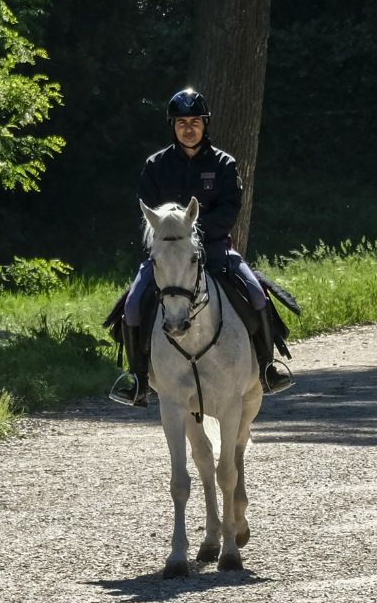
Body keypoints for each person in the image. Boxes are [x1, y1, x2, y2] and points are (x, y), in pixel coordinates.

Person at [109, 88, 292, 407]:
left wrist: (193, 236)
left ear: (205, 124)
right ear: (173, 126)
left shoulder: (224, 164)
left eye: (195, 121)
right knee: (133, 305)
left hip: (216, 250)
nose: (188, 128)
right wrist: (174, 242)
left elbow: (230, 209)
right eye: (182, 122)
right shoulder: (155, 165)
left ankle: (266, 367)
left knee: (258, 295)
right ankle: (137, 378)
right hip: (168, 258)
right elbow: (147, 212)